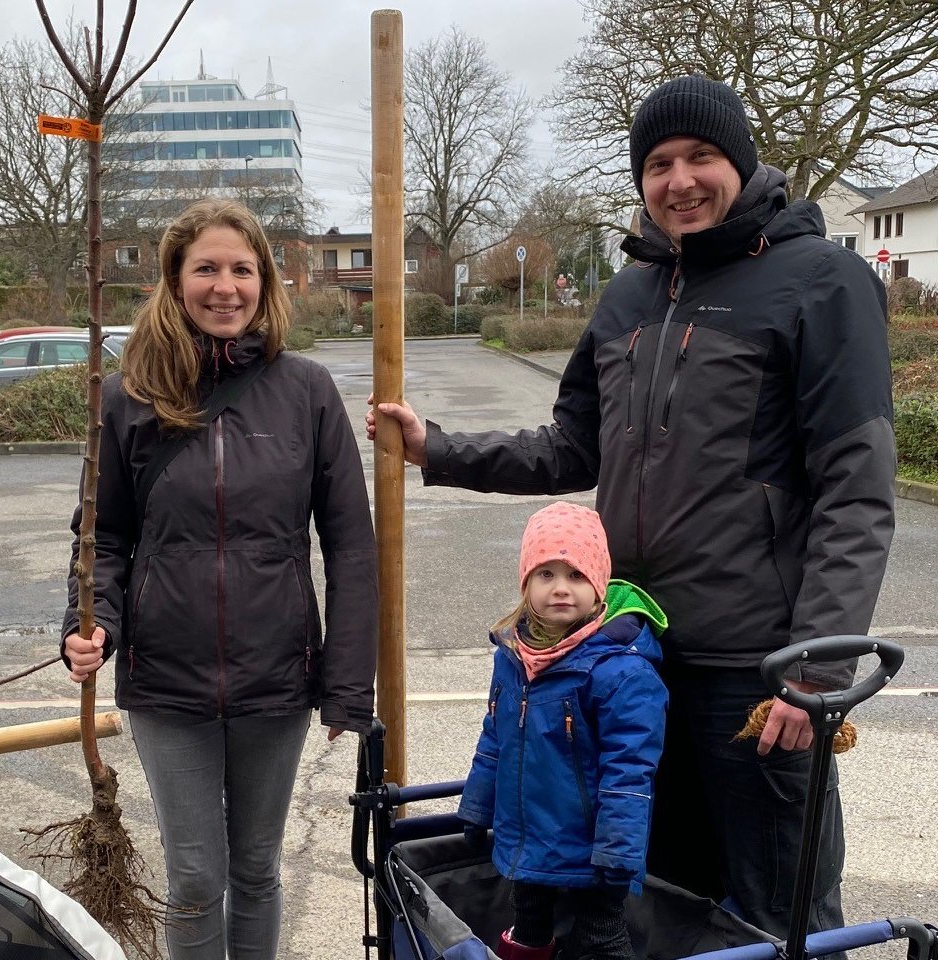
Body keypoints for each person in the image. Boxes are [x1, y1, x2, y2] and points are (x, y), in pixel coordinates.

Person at [370, 74, 895, 947]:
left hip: (754, 671)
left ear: (742, 161)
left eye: (701, 157)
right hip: (628, 657)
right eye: (658, 164)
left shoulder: (823, 282)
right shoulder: (629, 297)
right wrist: (438, 449)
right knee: (651, 897)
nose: (679, 181)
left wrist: (814, 671)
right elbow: (573, 446)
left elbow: (856, 487)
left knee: (772, 916)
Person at [64, 199, 378, 960]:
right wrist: (90, 624)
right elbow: (100, 537)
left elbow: (350, 545)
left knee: (257, 869)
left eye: (243, 269)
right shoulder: (126, 398)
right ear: (174, 282)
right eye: (206, 268)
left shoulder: (306, 391)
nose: (225, 286)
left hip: (275, 680)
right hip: (168, 681)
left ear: (266, 282)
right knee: (197, 875)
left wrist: (345, 683)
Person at [458, 502, 668, 960]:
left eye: (576, 576)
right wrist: (477, 807)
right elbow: (495, 737)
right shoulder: (512, 657)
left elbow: (629, 772)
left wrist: (617, 851)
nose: (560, 589)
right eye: (546, 575)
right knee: (529, 926)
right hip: (529, 835)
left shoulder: (621, 672)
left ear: (598, 589)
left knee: (602, 938)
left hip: (592, 848)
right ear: (526, 584)